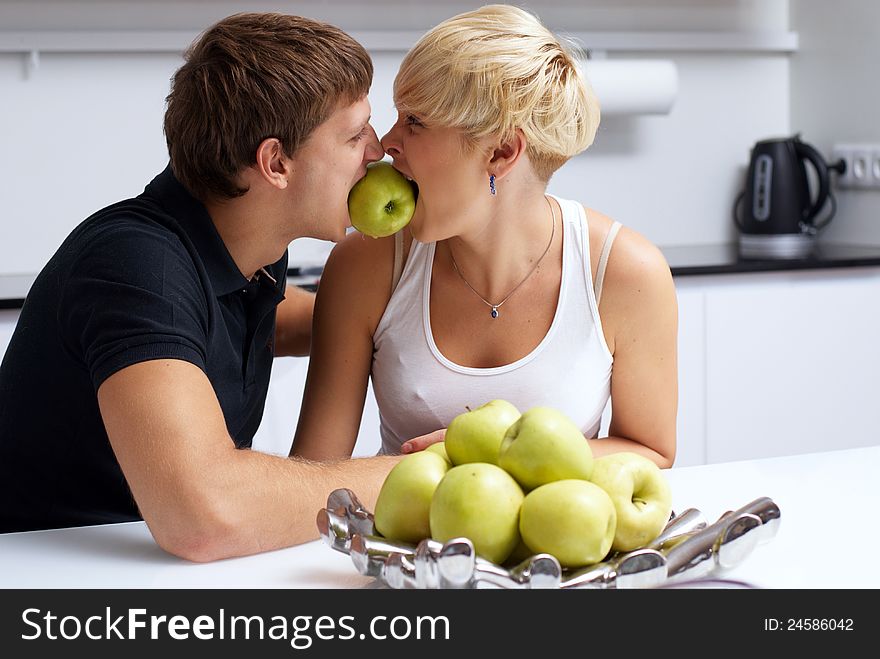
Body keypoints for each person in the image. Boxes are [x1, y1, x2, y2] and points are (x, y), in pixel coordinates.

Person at [0, 13, 402, 560]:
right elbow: (204, 516)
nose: (376, 151)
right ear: (275, 162)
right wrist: (414, 471)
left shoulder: (246, 248)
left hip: (148, 570)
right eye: (355, 135)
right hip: (53, 576)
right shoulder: (136, 265)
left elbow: (256, 321)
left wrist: (406, 316)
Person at [292, 5, 678, 468]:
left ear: (501, 152)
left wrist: (491, 452)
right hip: (408, 538)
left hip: (551, 540)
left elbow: (649, 450)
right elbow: (313, 471)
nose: (385, 143)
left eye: (414, 122)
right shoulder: (368, 264)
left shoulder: (625, 272)